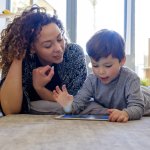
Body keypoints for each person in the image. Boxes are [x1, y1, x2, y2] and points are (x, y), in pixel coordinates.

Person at [0, 5, 87, 115]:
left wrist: (40, 88)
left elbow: (74, 105)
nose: (59, 49)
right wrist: (18, 56)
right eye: (48, 45)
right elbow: (10, 110)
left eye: (60, 39)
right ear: (32, 47)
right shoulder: (21, 58)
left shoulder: (73, 54)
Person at [53, 29, 150, 122]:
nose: (101, 71)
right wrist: (67, 105)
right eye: (95, 65)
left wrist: (126, 113)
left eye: (108, 65)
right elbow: (77, 106)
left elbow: (138, 107)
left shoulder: (131, 78)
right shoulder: (91, 80)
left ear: (122, 61)